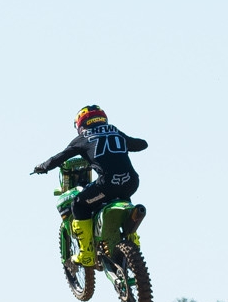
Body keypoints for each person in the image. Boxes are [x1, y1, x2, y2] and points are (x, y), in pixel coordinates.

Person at [31, 104, 148, 269]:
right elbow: (141, 145)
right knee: (125, 202)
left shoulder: (83, 137)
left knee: (78, 204)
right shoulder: (115, 131)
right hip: (131, 182)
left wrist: (43, 166)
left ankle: (86, 254)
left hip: (107, 183)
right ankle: (133, 242)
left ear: (81, 123)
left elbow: (60, 157)